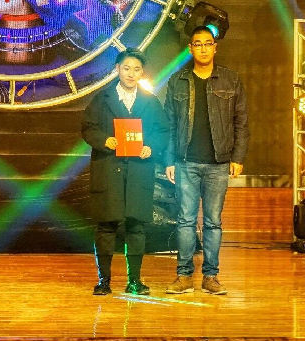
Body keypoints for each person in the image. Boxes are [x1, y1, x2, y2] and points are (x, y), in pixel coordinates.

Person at [164, 25, 249, 295]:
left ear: (215, 47)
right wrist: (169, 159)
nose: (203, 48)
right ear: (190, 49)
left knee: (213, 222)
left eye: (207, 43)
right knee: (185, 221)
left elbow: (241, 122)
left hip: (218, 163)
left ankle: (211, 277)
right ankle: (184, 276)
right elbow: (169, 123)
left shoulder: (230, 80)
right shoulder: (177, 80)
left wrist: (237, 157)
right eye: (197, 44)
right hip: (185, 162)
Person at [82, 48, 169, 295]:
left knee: (136, 227)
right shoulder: (102, 99)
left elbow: (163, 131)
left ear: (142, 73)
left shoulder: (150, 101)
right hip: (109, 169)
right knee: (106, 226)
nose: (131, 73)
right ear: (117, 69)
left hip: (139, 171)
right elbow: (88, 128)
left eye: (137, 69)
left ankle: (135, 281)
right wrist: (104, 140)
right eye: (127, 68)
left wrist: (151, 147)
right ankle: (104, 281)